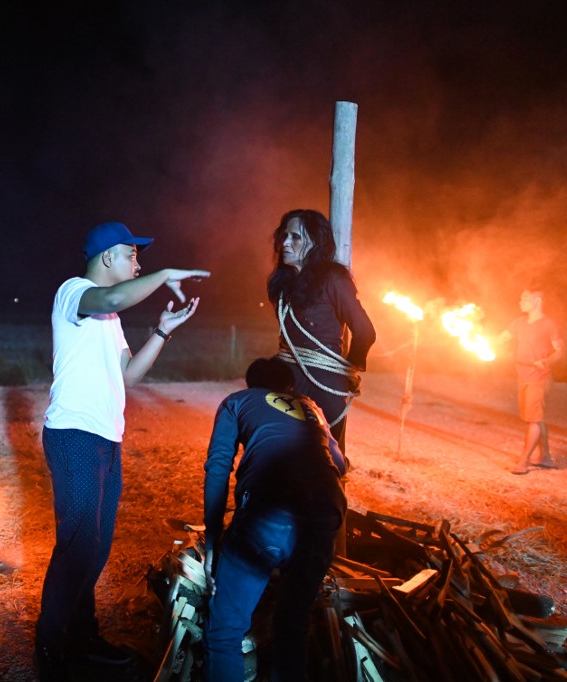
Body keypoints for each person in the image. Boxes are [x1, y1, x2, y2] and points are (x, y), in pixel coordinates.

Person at [35, 221, 210, 680]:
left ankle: (83, 635)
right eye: (133, 255)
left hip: (105, 438)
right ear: (108, 257)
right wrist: (166, 273)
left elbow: (127, 375)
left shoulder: (109, 320)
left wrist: (163, 330)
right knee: (79, 545)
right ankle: (50, 647)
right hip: (73, 433)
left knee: (95, 546)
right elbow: (113, 297)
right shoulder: (74, 292)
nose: (139, 264)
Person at [202, 357, 346, 682]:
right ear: (290, 387)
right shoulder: (311, 407)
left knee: (226, 630)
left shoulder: (236, 402)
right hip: (325, 515)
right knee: (292, 626)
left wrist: (213, 538)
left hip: (267, 512)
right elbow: (340, 463)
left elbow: (218, 467)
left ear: (250, 385)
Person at [267, 209, 376, 453]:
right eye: (284, 236)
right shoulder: (284, 284)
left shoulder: (333, 279)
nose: (285, 243)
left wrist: (349, 369)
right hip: (286, 377)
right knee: (280, 452)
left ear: (315, 242)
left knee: (327, 456)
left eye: (295, 237)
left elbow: (365, 332)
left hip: (323, 381)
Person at [497, 288, 564, 475]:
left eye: (525, 298)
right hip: (523, 375)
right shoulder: (518, 322)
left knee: (533, 419)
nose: (520, 302)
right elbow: (501, 338)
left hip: (539, 377)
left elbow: (560, 351)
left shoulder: (549, 324)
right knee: (536, 417)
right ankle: (545, 458)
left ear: (538, 301)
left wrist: (546, 361)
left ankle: (524, 461)